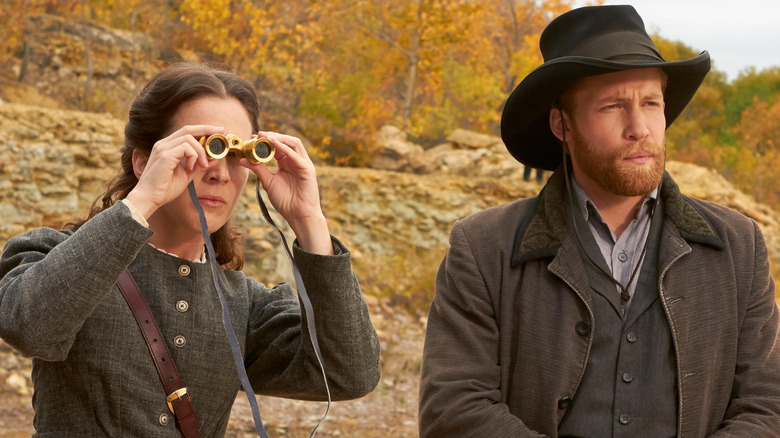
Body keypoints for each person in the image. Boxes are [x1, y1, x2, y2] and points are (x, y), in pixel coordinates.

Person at [419, 5, 780, 437]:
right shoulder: (483, 247)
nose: (639, 128)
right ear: (562, 124)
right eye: (612, 106)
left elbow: (767, 406)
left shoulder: (738, 244)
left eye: (651, 103)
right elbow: (453, 408)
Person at [0, 62, 380, 436]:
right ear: (144, 160)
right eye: (202, 149)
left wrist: (309, 219)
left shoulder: (241, 303)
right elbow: (30, 326)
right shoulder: (50, 254)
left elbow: (348, 373)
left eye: (236, 154)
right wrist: (142, 198)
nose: (219, 172)